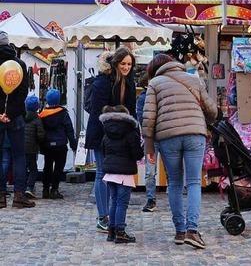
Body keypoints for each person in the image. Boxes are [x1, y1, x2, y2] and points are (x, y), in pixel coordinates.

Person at [142, 54, 217, 249]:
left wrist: (149, 146)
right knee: (193, 183)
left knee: (174, 182)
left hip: (168, 136)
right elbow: (213, 111)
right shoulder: (193, 79)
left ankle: (180, 231)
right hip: (194, 133)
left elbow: (149, 117)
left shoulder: (155, 83)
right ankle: (193, 230)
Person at [85, 48, 137, 232]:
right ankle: (102, 216)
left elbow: (132, 112)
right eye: (123, 63)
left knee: (114, 174)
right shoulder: (102, 83)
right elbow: (98, 112)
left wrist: (132, 132)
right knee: (102, 173)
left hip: (120, 135)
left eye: (129, 64)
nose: (126, 67)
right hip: (100, 133)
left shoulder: (130, 83)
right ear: (115, 64)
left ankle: (112, 215)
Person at [101, 105, 144, 243]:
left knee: (114, 201)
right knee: (122, 203)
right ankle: (120, 231)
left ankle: (111, 231)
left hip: (110, 172)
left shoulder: (106, 132)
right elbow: (137, 153)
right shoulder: (131, 133)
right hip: (125, 172)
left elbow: (103, 150)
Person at [0, 31, 33, 209]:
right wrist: (10, 114)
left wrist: (1, 114)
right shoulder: (19, 64)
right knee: (19, 156)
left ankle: (1, 197)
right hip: (16, 117)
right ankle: (19, 196)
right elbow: (22, 94)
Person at [39, 89, 77, 200]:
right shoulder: (63, 113)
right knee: (59, 168)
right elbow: (69, 129)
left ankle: (45, 190)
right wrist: (73, 144)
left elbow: (40, 131)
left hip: (47, 146)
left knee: (47, 166)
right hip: (60, 145)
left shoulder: (42, 114)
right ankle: (54, 189)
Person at [137, 73, 158, 213]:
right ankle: (151, 199)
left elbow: (140, 117)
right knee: (151, 170)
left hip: (152, 136)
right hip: (154, 135)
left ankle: (152, 199)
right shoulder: (143, 98)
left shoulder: (145, 97)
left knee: (151, 171)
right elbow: (140, 117)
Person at [24, 95, 44, 199]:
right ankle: (29, 187)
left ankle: (20, 188)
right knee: (33, 169)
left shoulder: (22, 117)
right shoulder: (37, 119)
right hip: (32, 148)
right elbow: (40, 135)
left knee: (22, 168)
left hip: (21, 148)